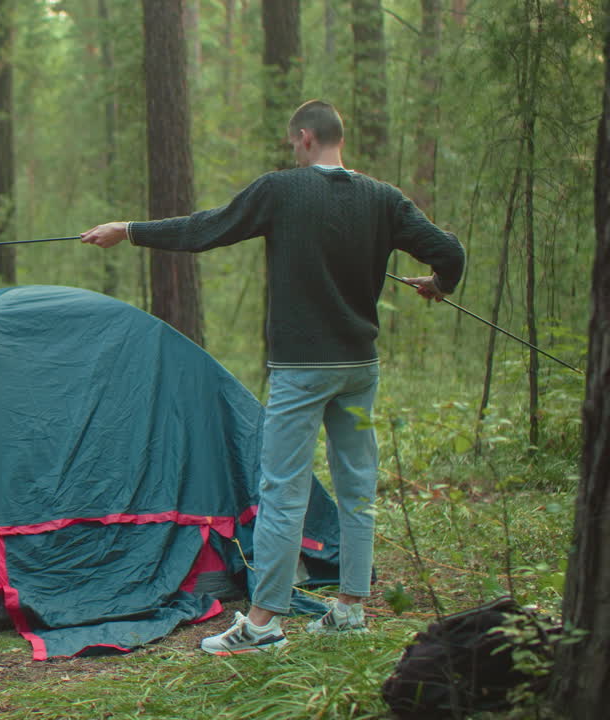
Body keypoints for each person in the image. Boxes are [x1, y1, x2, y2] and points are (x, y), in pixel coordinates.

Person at [81, 100, 465, 655]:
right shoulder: (384, 199)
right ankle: (351, 609)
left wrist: (130, 230)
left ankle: (261, 626)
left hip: (302, 375)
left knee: (282, 491)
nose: (293, 150)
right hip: (358, 372)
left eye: (293, 143)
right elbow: (448, 251)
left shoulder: (281, 190)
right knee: (357, 488)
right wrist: (439, 285)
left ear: (305, 138)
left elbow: (205, 228)